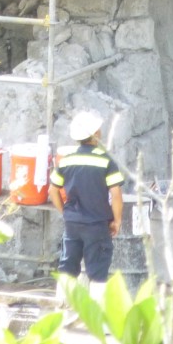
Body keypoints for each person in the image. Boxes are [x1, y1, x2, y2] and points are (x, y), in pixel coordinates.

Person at [48, 110, 125, 302]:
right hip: (97, 223)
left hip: (73, 223)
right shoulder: (105, 161)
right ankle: (98, 321)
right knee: (98, 271)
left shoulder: (67, 159)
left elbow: (52, 190)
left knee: (67, 267)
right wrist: (117, 220)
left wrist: (65, 212)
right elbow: (116, 195)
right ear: (96, 134)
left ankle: (62, 313)